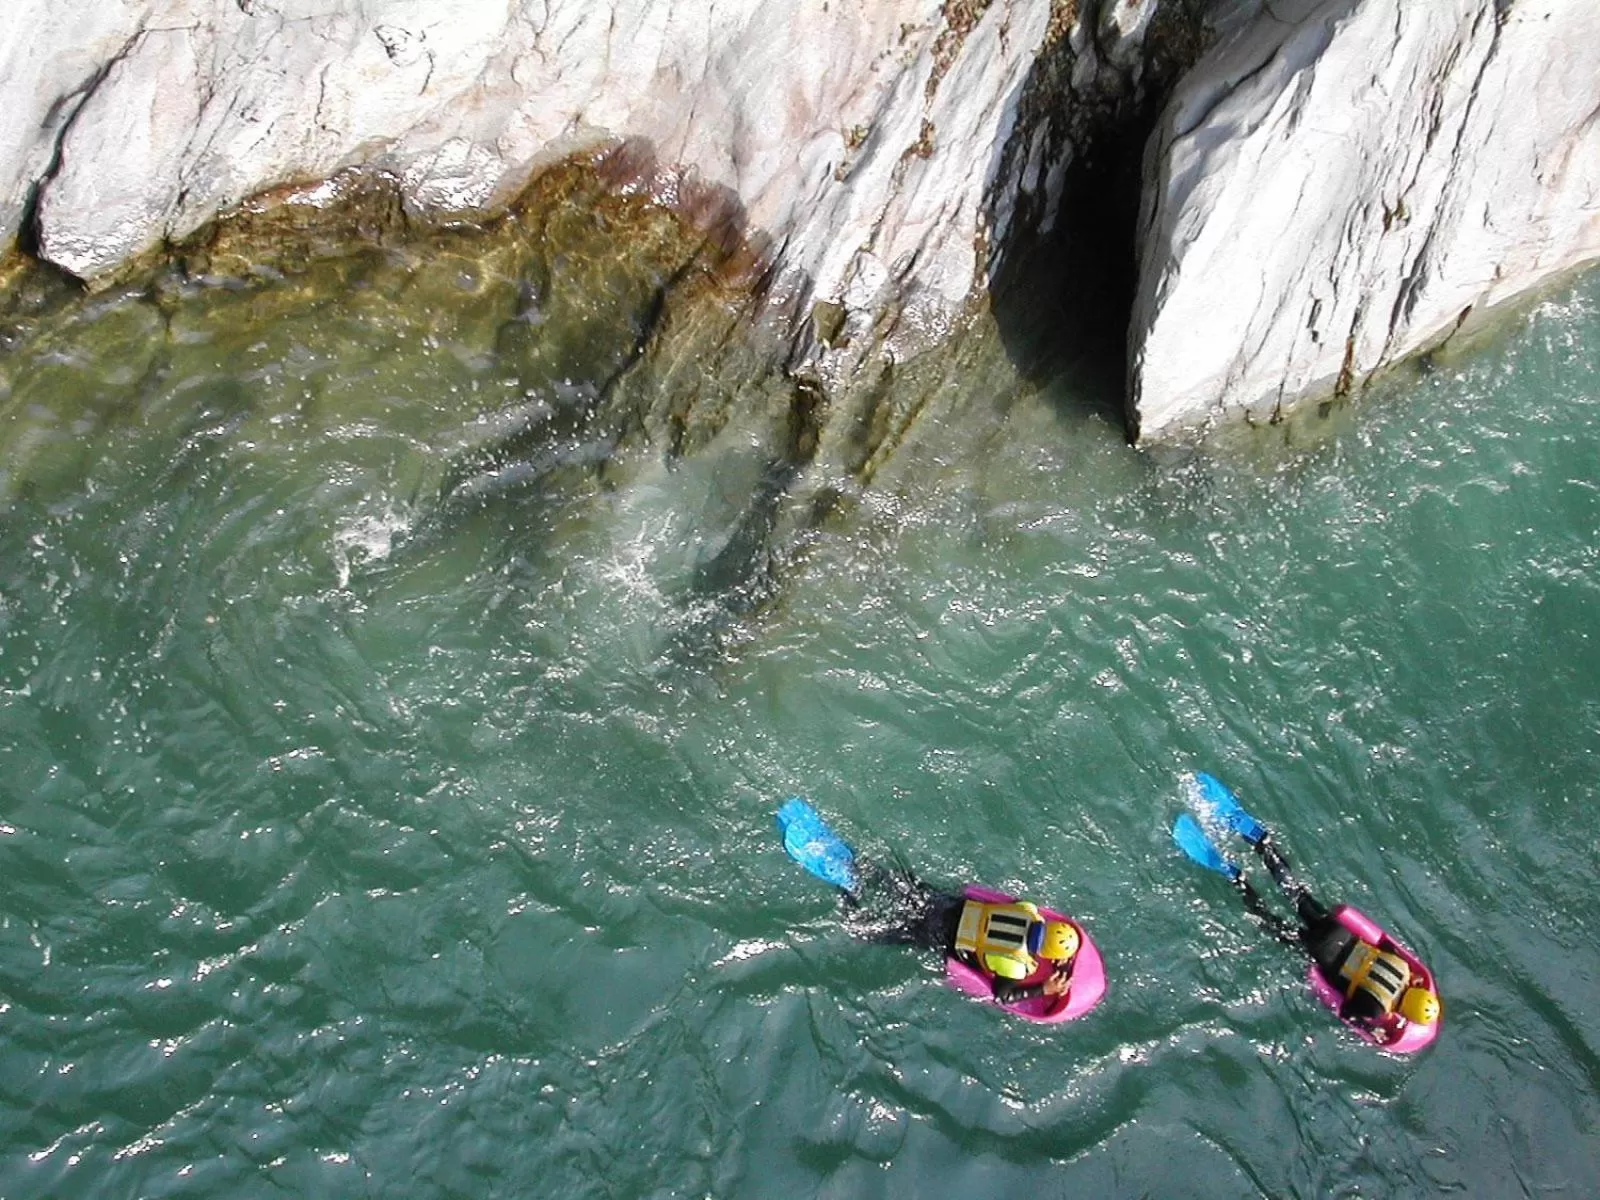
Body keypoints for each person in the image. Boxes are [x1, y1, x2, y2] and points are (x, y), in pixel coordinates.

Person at [1234, 827, 1441, 1043]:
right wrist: (1372, 1030)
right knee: (1272, 923)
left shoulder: (1404, 968)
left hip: (1338, 931)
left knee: (1297, 893)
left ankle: (1264, 847)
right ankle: (1240, 882)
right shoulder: (1377, 1009)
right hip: (1323, 953)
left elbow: (1385, 947)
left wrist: (1410, 980)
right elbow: (1347, 1011)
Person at [839, 860, 1080, 1007]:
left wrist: (1059, 951)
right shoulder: (1014, 964)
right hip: (942, 936)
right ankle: (848, 909)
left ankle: (859, 867)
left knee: (905, 888)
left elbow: (1021, 907)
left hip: (949, 906)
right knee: (879, 930)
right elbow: (1003, 996)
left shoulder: (1028, 911)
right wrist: (1043, 989)